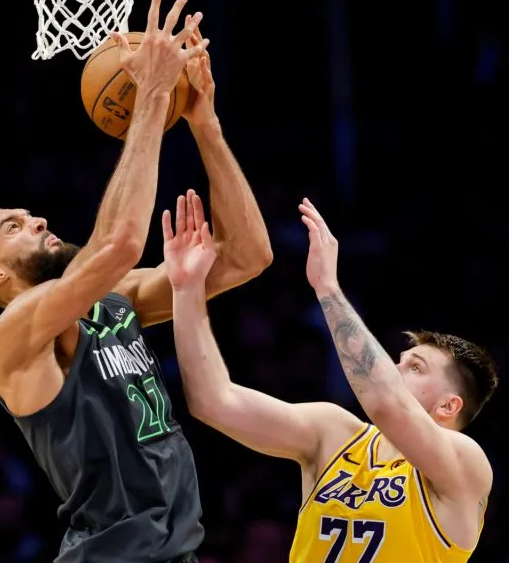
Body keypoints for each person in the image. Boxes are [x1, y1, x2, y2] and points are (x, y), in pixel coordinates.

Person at [0, 0, 273, 561]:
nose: (38, 219)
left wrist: (205, 123)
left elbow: (248, 256)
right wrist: (149, 94)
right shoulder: (18, 334)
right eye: (14, 225)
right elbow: (120, 244)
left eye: (29, 214)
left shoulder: (115, 303)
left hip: (176, 551)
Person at [165, 194, 496, 562]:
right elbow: (213, 400)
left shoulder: (466, 464)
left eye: (415, 367)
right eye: (399, 361)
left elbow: (387, 404)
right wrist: (186, 288)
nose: (394, 369)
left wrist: (327, 288)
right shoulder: (334, 432)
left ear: (449, 405)